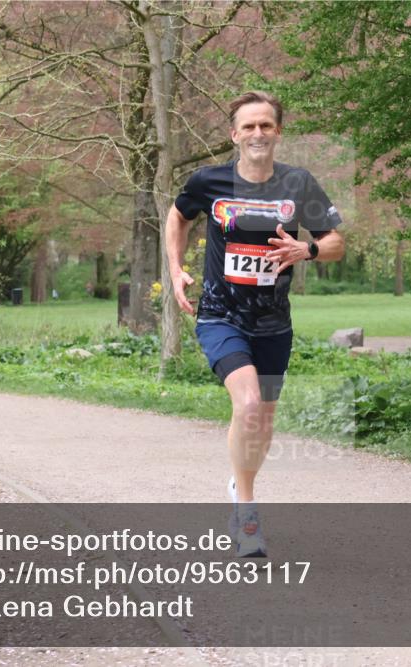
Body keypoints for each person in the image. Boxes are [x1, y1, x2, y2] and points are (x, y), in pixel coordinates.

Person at [165, 91, 345, 557]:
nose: (258, 133)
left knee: (262, 423)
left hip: (273, 324)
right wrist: (175, 268)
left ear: (278, 132)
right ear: (234, 134)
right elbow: (178, 217)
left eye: (266, 125)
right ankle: (246, 512)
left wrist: (307, 250)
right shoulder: (209, 181)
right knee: (246, 406)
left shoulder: (298, 184)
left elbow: (336, 243)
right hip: (220, 315)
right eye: (249, 126)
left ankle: (238, 484)